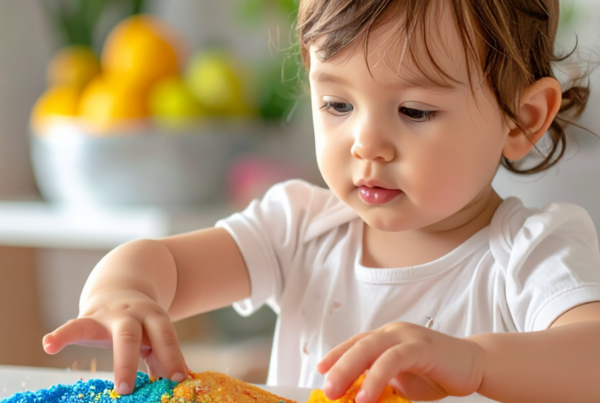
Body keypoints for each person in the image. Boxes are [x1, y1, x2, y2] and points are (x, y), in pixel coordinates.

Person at [43, 0, 600, 401]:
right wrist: (122, 293)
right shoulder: (298, 228)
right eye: (337, 104)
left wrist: (475, 364)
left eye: (415, 111)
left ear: (523, 119)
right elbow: (162, 264)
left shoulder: (530, 252)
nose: (366, 144)